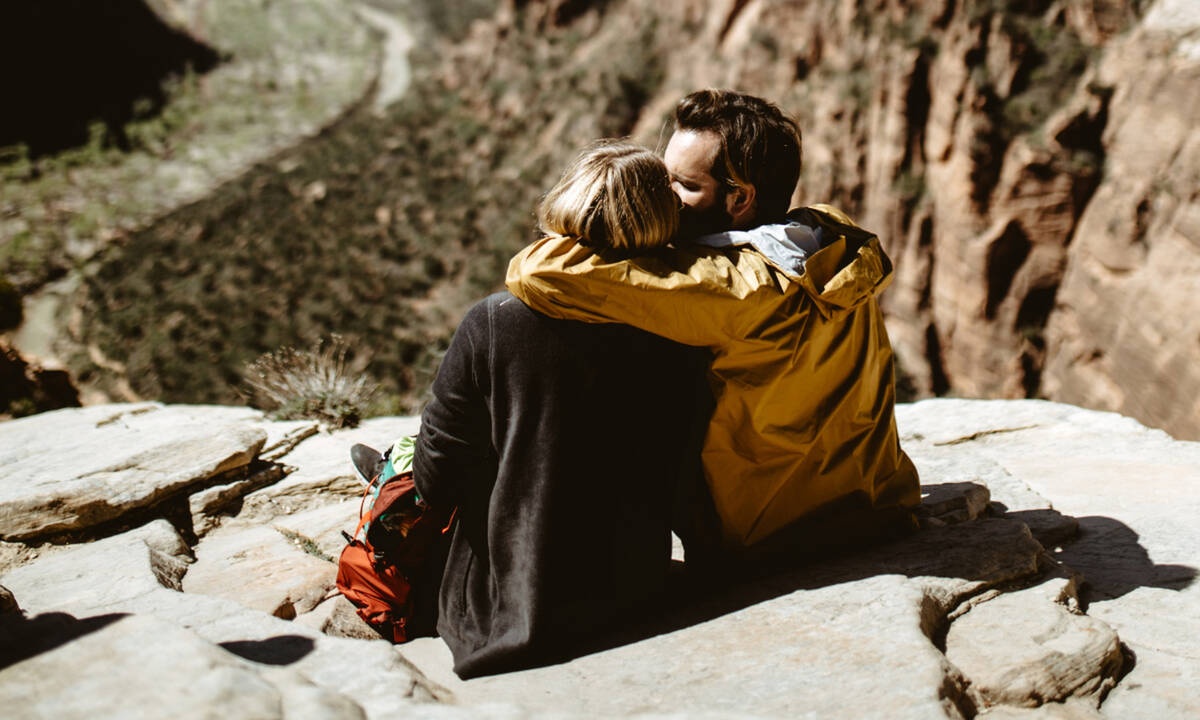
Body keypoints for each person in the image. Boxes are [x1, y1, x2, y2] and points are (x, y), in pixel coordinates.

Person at [506, 89, 921, 558]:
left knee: (534, 330)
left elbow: (537, 271)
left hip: (763, 535)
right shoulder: (828, 235)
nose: (664, 195)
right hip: (872, 503)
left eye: (683, 185)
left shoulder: (730, 287)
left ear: (740, 198)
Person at [412, 140, 711, 678]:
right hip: (633, 587)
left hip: (510, 607)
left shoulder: (496, 321)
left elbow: (437, 477)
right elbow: (690, 472)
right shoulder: (684, 324)